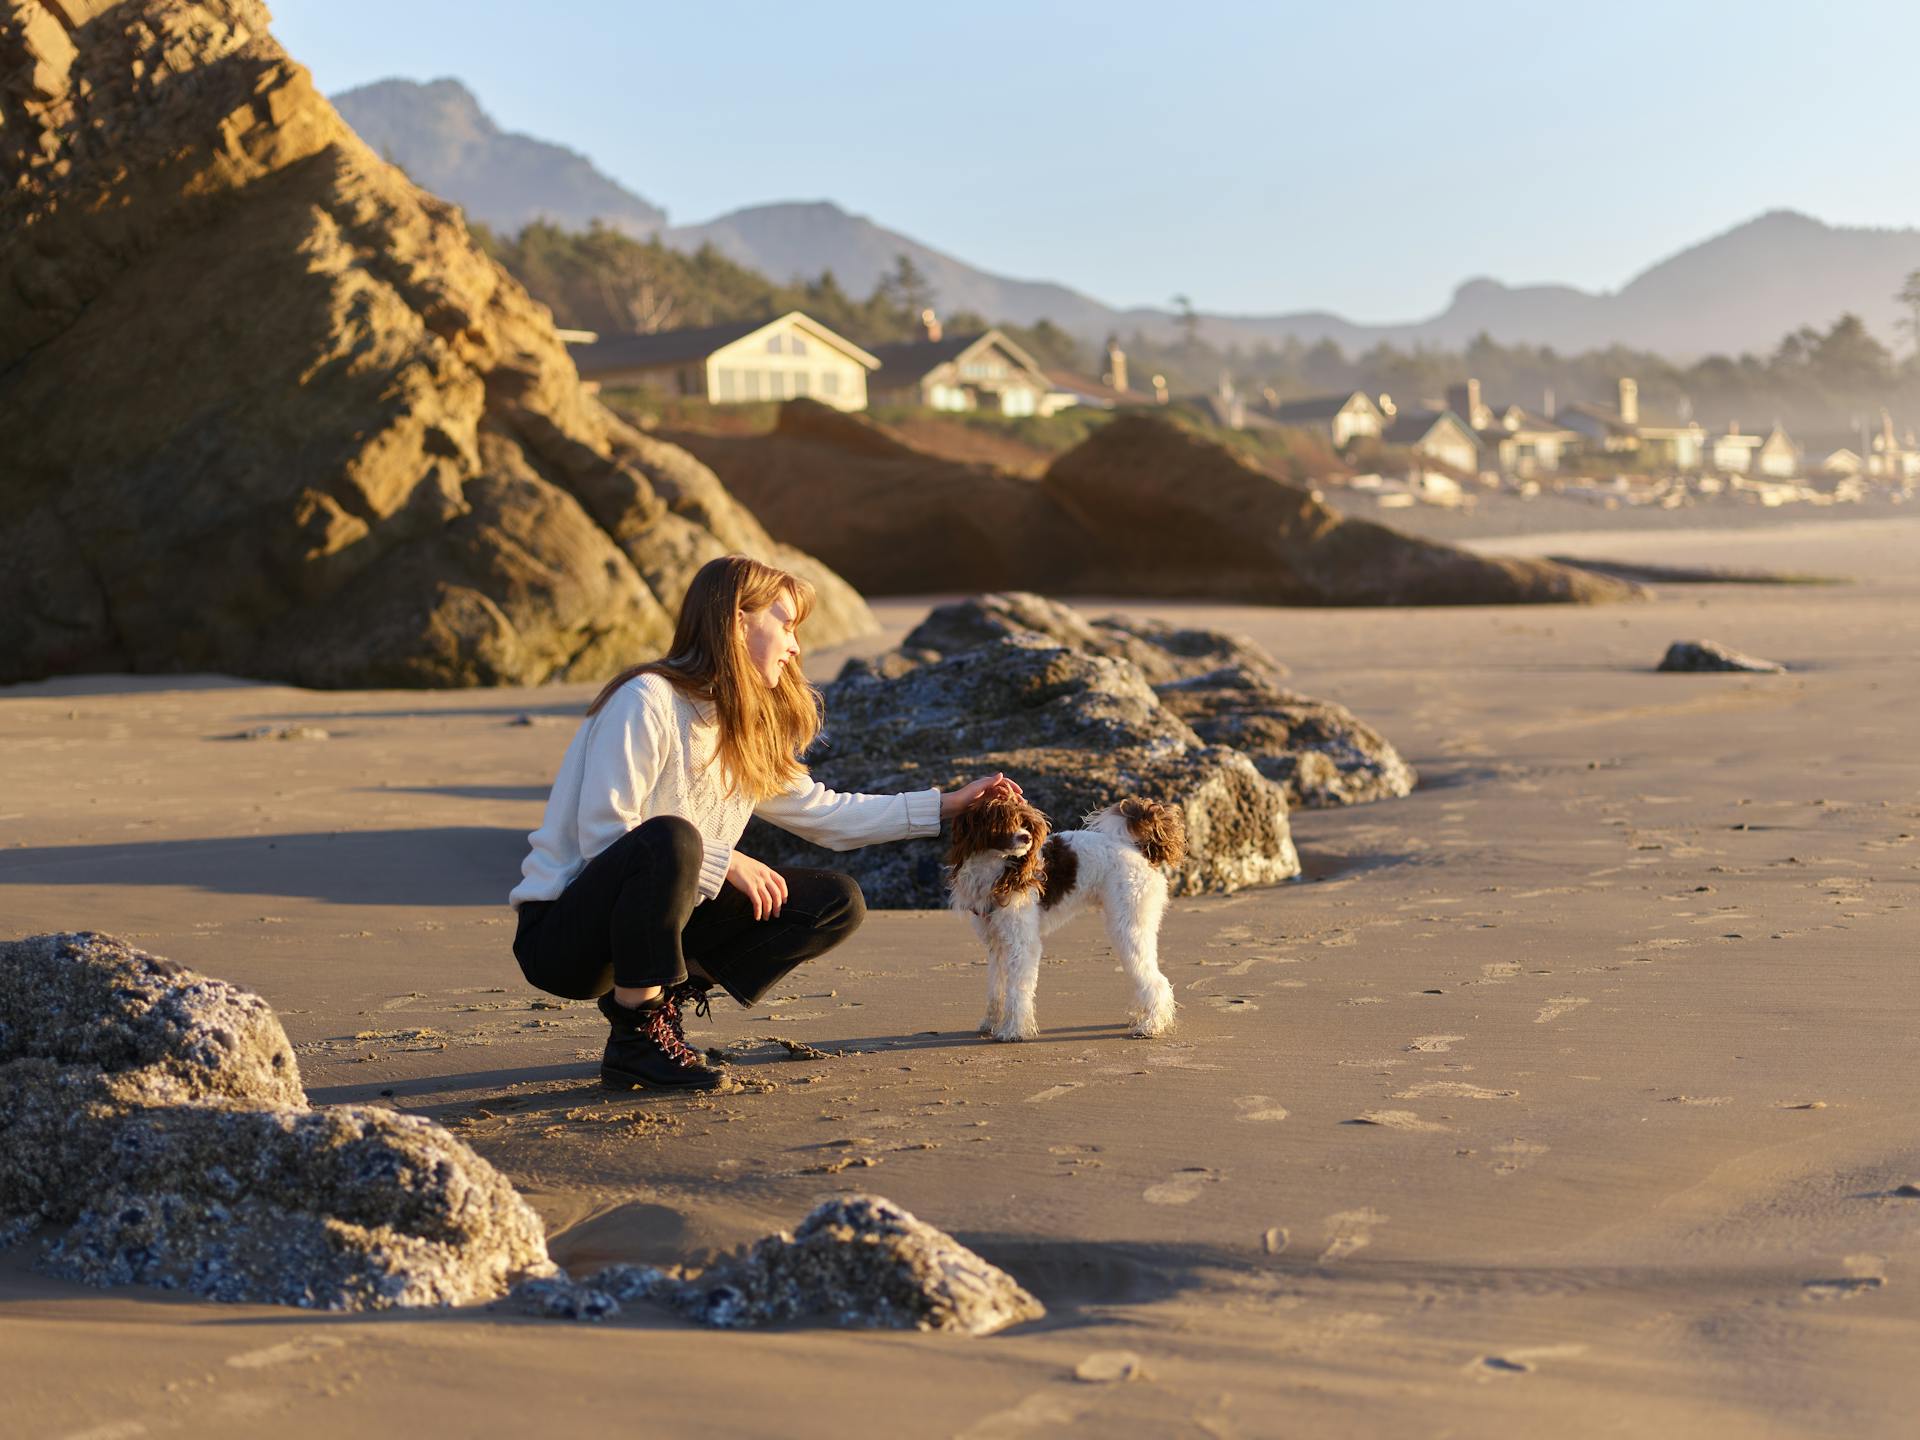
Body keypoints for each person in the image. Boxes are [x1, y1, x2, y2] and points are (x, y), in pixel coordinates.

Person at [508, 554, 1021, 1093]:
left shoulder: (741, 726)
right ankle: (636, 1037)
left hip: (654, 926)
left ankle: (656, 1005)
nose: (796, 645)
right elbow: (608, 835)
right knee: (669, 836)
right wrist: (725, 859)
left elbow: (829, 815)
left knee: (833, 901)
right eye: (787, 624)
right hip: (567, 938)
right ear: (736, 620)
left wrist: (947, 804)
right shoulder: (646, 699)